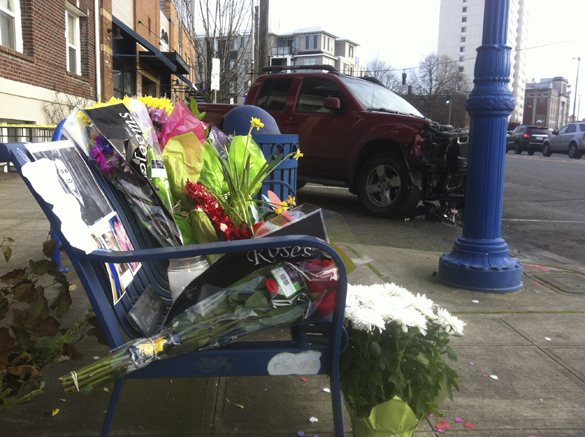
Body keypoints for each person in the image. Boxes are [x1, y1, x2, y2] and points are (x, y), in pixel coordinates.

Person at [54, 158, 107, 227]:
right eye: (62, 172)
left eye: (66, 171)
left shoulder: (89, 199)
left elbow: (104, 220)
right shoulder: (66, 206)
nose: (68, 177)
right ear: (59, 176)